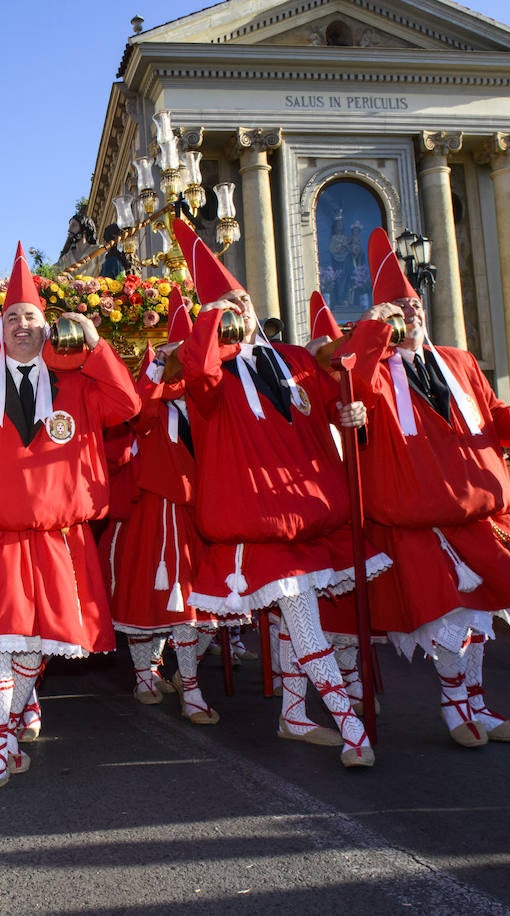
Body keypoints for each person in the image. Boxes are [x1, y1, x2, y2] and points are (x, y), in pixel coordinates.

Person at [339, 228, 510, 748]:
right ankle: (456, 705)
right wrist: (371, 331)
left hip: (482, 514)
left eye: (413, 306)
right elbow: (353, 382)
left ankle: (476, 703)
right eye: (396, 309)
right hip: (418, 521)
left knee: (479, 617)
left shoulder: (459, 361)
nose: (409, 315)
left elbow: (496, 417)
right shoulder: (372, 371)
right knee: (452, 616)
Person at [169, 220, 383, 767]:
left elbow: (335, 402)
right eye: (220, 304)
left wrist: (349, 414)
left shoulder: (295, 358)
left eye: (239, 298)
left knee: (295, 625)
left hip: (311, 519)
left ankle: (294, 715)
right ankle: (352, 728)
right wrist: (212, 320)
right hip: (259, 524)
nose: (235, 306)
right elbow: (195, 368)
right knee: (304, 619)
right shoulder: (208, 373)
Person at [0, 243, 139, 801]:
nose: (21, 326)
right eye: (11, 319)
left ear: (47, 327)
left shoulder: (76, 384)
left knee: (33, 644)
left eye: (31, 317)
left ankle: (10, 725)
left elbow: (128, 406)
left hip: (56, 536)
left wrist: (96, 344)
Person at [108, 296, 218, 717]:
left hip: (202, 511)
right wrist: (159, 365)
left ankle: (185, 679)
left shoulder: (207, 394)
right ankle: (149, 675)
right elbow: (137, 414)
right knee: (149, 600)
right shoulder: (152, 396)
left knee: (203, 605)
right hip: (154, 509)